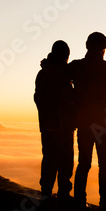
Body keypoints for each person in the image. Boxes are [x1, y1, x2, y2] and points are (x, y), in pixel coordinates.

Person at [69, 32, 106, 211]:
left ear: (87, 46)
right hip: (103, 125)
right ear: (103, 49)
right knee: (105, 165)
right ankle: (105, 204)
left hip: (84, 123)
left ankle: (79, 202)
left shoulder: (76, 67)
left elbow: (59, 74)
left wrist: (48, 63)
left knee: (84, 163)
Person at [34, 40, 75, 200]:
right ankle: (62, 193)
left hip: (50, 124)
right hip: (61, 125)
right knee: (64, 159)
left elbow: (38, 98)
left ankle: (46, 192)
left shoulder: (44, 73)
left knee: (50, 158)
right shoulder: (58, 74)